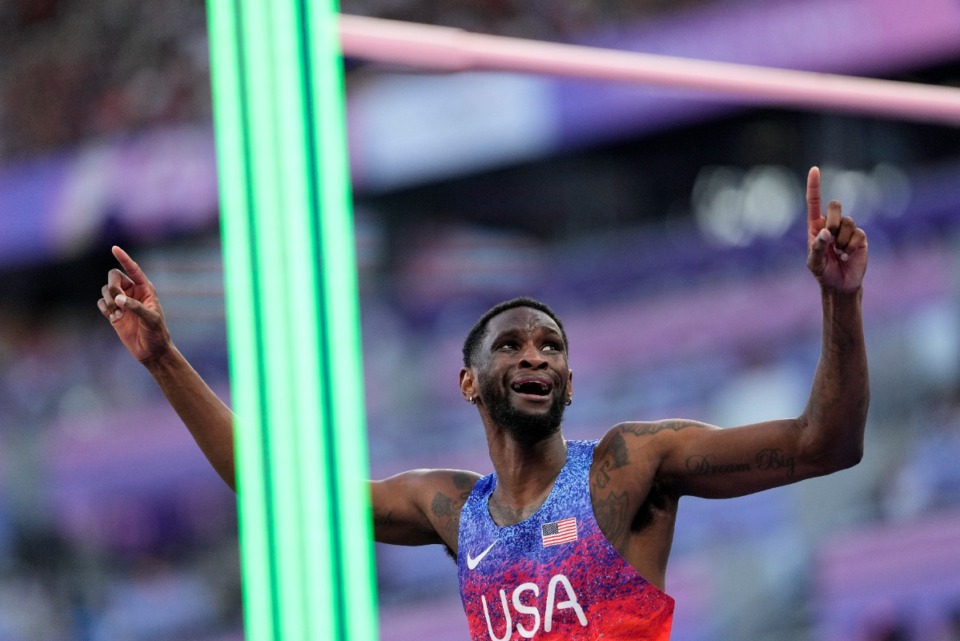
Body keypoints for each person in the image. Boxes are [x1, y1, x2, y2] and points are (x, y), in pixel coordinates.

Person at [97, 166, 869, 640]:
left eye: (552, 346)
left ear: (570, 384)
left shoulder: (632, 463)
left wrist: (841, 303)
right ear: (468, 382)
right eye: (511, 344)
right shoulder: (451, 509)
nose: (535, 353)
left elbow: (824, 443)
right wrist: (163, 357)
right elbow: (279, 497)